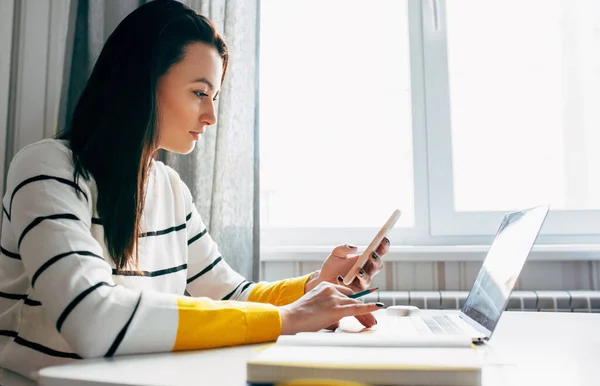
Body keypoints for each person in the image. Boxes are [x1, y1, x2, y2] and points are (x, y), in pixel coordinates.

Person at [0, 0, 389, 382]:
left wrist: (315, 286)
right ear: (142, 80)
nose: (212, 116)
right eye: (200, 93)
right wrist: (288, 318)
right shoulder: (47, 169)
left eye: (215, 97)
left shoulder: (170, 188)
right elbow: (92, 317)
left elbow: (231, 297)